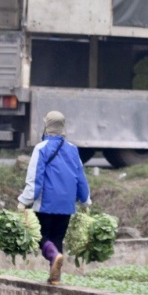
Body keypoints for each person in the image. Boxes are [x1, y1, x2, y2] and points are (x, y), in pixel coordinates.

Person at [17, 110, 91, 285]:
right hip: (66, 206)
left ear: (46, 126)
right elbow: (81, 178)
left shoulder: (41, 148)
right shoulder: (73, 150)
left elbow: (35, 179)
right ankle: (55, 276)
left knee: (41, 237)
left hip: (46, 203)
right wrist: (85, 201)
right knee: (57, 238)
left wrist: (23, 201)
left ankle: (54, 256)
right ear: (62, 128)